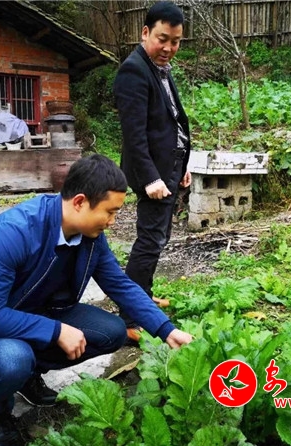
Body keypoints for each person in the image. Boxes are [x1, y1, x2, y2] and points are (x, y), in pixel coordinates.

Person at [0, 154, 193, 446]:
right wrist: (56, 331)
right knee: (12, 361)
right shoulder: (13, 232)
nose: (113, 222)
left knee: (112, 332)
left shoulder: (90, 237)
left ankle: (27, 376)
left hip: (35, 312)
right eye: (110, 212)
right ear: (79, 202)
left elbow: (120, 284)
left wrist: (166, 330)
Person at [113, 1, 191, 342]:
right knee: (150, 240)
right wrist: (151, 179)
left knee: (159, 237)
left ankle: (142, 296)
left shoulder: (159, 68)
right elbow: (134, 135)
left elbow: (170, 122)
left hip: (168, 167)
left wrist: (181, 165)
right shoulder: (133, 71)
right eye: (162, 39)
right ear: (145, 32)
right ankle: (131, 315)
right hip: (152, 173)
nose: (169, 48)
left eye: (175, 41)